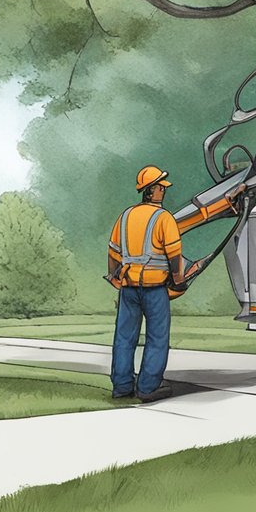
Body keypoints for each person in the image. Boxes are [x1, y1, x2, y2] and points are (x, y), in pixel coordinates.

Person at [106, 165, 183, 402]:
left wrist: (114, 278)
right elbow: (174, 256)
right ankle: (148, 387)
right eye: (161, 187)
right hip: (154, 289)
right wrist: (179, 282)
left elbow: (113, 252)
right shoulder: (164, 218)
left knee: (124, 337)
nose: (164, 191)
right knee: (157, 338)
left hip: (128, 287)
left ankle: (122, 386)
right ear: (151, 191)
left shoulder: (126, 216)